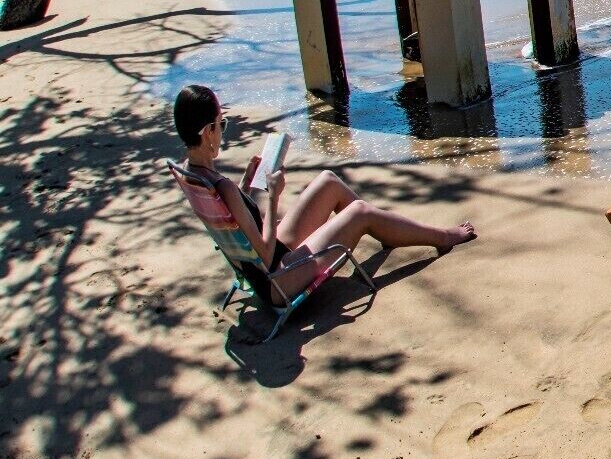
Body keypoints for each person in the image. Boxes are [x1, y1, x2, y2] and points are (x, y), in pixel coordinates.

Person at [171, 84, 475, 299]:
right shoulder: (219, 184)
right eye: (221, 124)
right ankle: (442, 238)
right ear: (208, 131)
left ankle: (385, 230)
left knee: (328, 180)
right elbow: (263, 252)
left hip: (264, 267)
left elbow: (233, 223)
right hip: (278, 279)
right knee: (359, 212)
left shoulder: (193, 175)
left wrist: (247, 186)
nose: (223, 130)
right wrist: (274, 194)